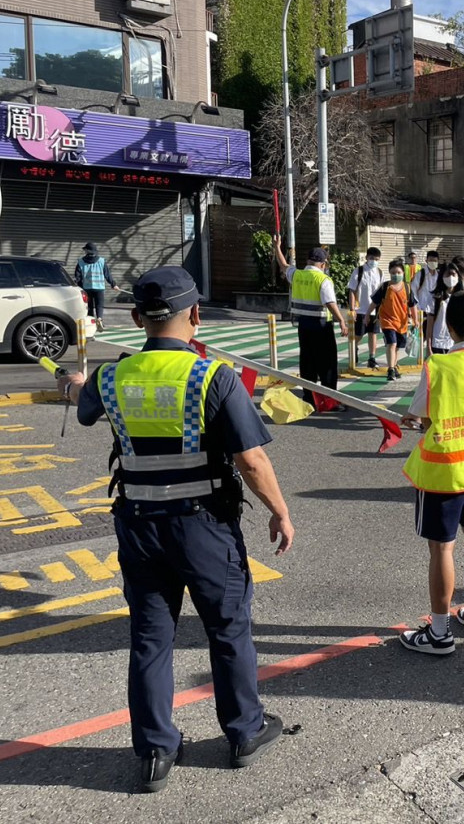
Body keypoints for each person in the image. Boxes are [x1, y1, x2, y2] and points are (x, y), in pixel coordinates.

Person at [55, 266, 294, 791]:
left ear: (138, 318)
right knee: (228, 631)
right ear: (196, 315)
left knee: (150, 639)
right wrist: (279, 510)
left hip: (139, 527)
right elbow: (250, 459)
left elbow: (84, 402)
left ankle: (156, 752)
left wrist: (74, 385)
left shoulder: (113, 376)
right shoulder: (213, 376)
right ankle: (243, 732)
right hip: (204, 526)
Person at [400, 292, 464, 655]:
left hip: (444, 474)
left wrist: (413, 421)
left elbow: (421, 418)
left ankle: (439, 632)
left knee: (442, 548)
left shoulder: (437, 367)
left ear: (448, 327)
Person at [273, 238, 349, 411]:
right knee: (327, 364)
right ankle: (329, 401)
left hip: (303, 325)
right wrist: (342, 321)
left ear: (308, 261)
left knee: (307, 363)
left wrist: (277, 247)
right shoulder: (323, 279)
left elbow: (284, 265)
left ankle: (309, 399)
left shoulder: (297, 275)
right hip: (321, 326)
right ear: (322, 264)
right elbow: (330, 303)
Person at [370, 258, 414, 381]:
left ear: (403, 273)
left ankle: (394, 367)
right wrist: (368, 314)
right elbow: (374, 302)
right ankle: (390, 369)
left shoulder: (407, 288)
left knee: (398, 346)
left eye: (399, 272)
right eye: (393, 273)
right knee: (392, 343)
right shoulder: (385, 287)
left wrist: (415, 320)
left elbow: (412, 305)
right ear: (389, 273)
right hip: (387, 321)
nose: (396, 275)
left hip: (402, 323)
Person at [347, 247, 385, 370]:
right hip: (361, 309)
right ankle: (355, 347)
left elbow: (383, 291)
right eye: (371, 258)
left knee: (373, 333)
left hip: (375, 309)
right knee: (359, 334)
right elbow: (352, 290)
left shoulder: (380, 272)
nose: (374, 261)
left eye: (376, 259)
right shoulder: (358, 271)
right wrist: (352, 309)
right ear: (366, 258)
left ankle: (372, 358)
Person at [427, 262, 464, 356]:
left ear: (458, 277)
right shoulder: (435, 297)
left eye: (453, 274)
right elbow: (429, 324)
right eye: (447, 274)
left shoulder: (462, 298)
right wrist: (428, 347)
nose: (450, 277)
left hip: (457, 344)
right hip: (438, 343)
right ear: (442, 276)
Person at [75, 241, 118, 332]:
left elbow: (78, 277)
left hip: (87, 288)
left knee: (90, 307)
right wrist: (113, 284)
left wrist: (80, 287)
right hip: (99, 287)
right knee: (99, 305)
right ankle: (99, 319)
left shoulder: (81, 262)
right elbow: (107, 274)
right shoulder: (101, 261)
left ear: (86, 251)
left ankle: (91, 324)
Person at [413, 249, 441, 342]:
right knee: (421, 338)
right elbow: (413, 291)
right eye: (431, 260)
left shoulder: (439, 276)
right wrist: (416, 307)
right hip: (422, 311)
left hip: (434, 310)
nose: (433, 263)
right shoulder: (420, 274)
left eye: (435, 261)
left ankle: (429, 354)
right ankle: (421, 355)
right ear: (426, 260)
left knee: (433, 336)